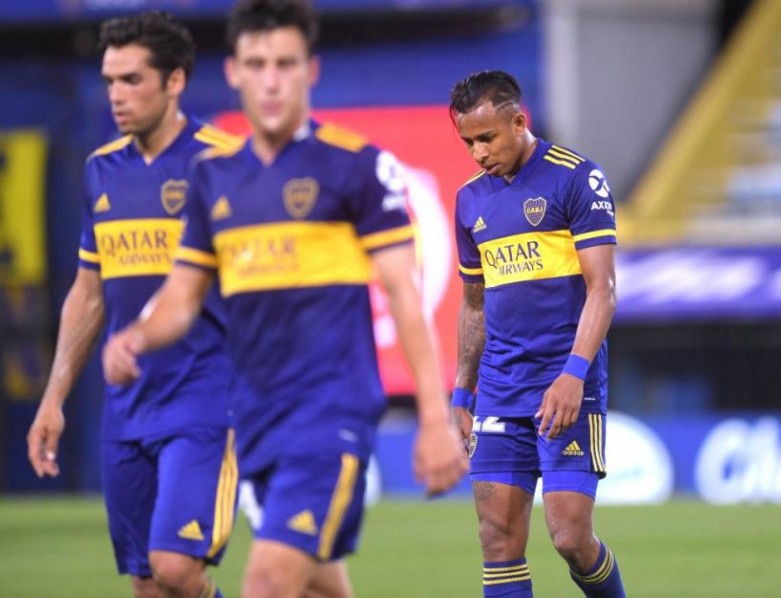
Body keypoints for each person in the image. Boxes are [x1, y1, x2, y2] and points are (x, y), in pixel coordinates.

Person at [101, 1, 468, 597]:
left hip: (329, 417)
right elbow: (182, 295)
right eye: (257, 64)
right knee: (318, 584)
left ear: (309, 70)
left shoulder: (357, 168)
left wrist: (433, 417)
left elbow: (405, 293)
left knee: (268, 583)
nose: (271, 80)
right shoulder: (213, 178)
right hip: (254, 421)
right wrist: (136, 336)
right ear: (235, 72)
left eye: (285, 64)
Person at [25, 12, 238, 598]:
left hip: (204, 400)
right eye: (110, 80)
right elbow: (88, 292)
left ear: (175, 81)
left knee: (177, 569)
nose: (117, 94)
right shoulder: (101, 169)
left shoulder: (225, 164)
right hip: (126, 408)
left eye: (132, 79)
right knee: (147, 584)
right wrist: (54, 397)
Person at [449, 70, 626, 598]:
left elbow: (602, 289)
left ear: (518, 121)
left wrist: (574, 373)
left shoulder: (577, 177)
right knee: (497, 541)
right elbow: (474, 304)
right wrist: (461, 391)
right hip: (500, 387)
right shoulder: (469, 200)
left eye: (486, 138)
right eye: (468, 142)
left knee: (571, 538)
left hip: (565, 383)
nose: (478, 153)